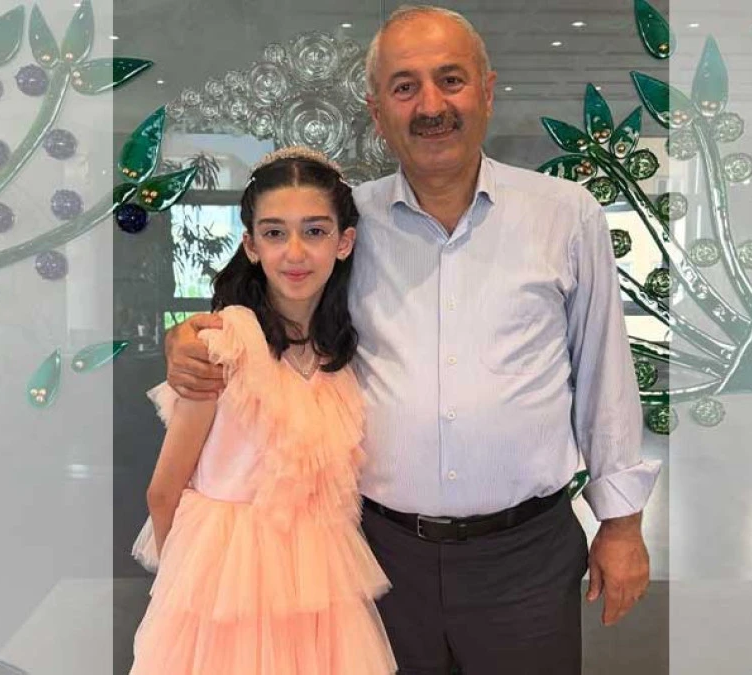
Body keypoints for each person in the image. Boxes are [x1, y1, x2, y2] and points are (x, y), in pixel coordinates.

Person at [164, 6, 661, 674]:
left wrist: (622, 523)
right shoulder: (345, 224)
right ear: (377, 110)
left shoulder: (564, 216)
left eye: (451, 80)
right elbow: (273, 307)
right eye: (405, 87)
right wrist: (191, 338)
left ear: (487, 90)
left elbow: (605, 372)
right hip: (378, 553)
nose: (431, 105)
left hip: (526, 556)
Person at [129, 147, 396, 675]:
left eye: (315, 231)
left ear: (344, 242)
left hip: (319, 594)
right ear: (251, 245)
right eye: (275, 233)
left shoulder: (337, 355)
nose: (295, 252)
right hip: (227, 596)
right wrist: (190, 589)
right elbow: (164, 491)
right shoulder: (225, 341)